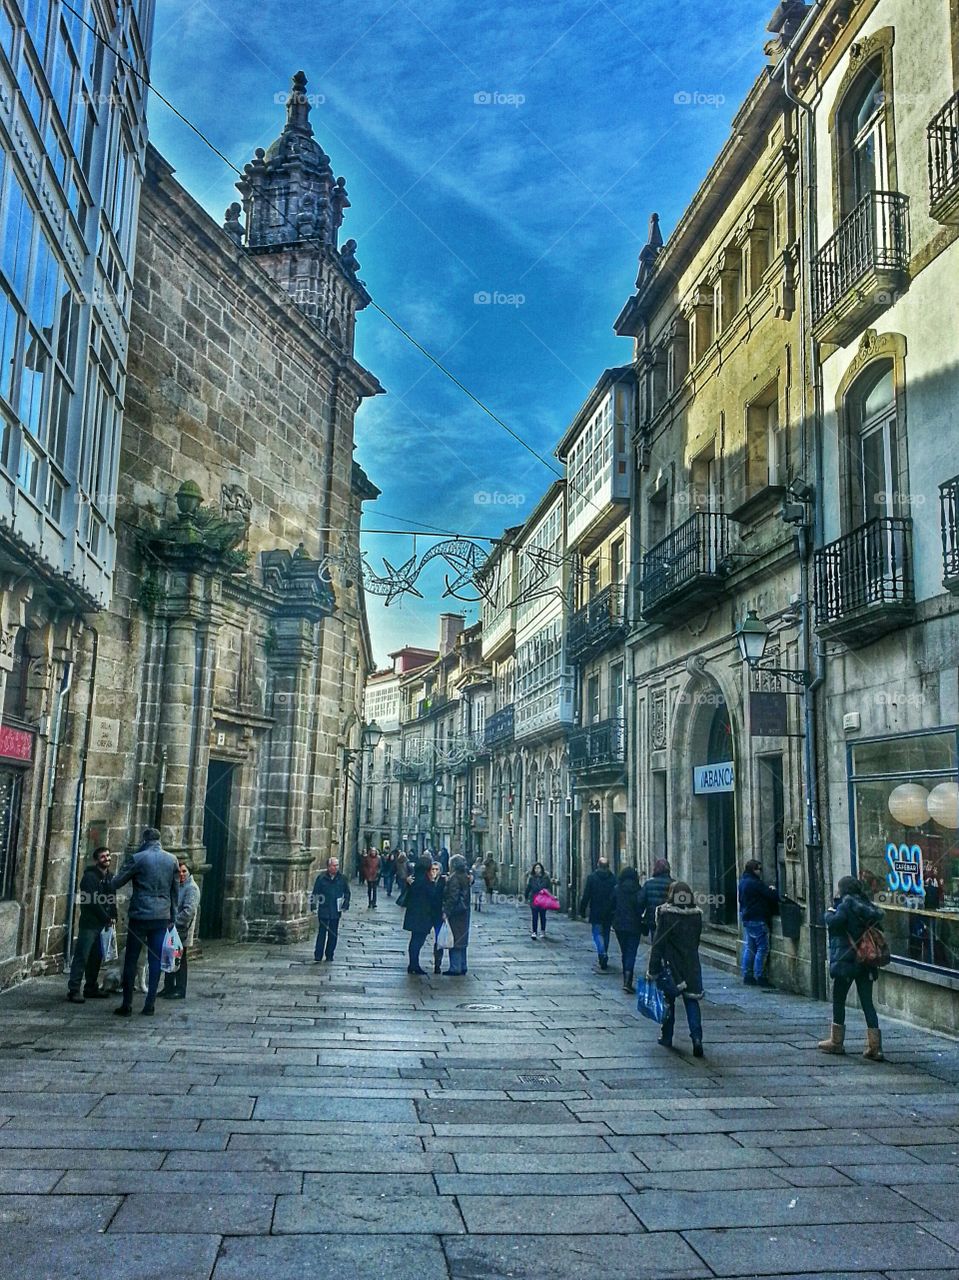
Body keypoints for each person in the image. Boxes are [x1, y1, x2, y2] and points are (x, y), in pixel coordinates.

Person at [108, 827, 179, 1017]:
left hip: (140, 915)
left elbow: (116, 882)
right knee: (155, 959)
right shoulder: (172, 859)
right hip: (162, 916)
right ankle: (150, 1003)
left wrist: (133, 858)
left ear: (144, 840)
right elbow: (175, 892)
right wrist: (173, 916)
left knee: (131, 959)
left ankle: (127, 1004)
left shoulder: (138, 858)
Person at [819, 876, 885, 1061]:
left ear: (843, 889)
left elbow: (834, 923)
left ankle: (836, 1042)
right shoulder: (867, 906)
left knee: (839, 999)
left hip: (847, 960)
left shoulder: (845, 905)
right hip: (866, 960)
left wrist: (829, 912)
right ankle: (875, 1047)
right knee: (867, 1003)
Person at [647, 880, 705, 1057]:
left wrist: (653, 969)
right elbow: (696, 940)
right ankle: (697, 1038)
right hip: (692, 964)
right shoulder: (696, 915)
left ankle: (667, 1036)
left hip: (671, 965)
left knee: (668, 1001)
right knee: (692, 1001)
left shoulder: (666, 914)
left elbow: (658, 943)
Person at [66, 846, 117, 1003]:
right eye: (103, 857)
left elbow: (112, 897)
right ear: (97, 860)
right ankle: (74, 989)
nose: (107, 859)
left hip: (103, 924)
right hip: (90, 924)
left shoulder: (109, 876)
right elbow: (92, 901)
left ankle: (91, 987)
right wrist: (106, 917)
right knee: (82, 955)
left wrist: (114, 915)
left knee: (96, 957)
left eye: (108, 855)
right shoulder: (89, 877)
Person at [160, 860, 201, 1000]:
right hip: (172, 928)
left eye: (184, 871)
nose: (182, 874)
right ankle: (168, 986)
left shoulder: (192, 888)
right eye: (179, 871)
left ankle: (180, 988)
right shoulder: (177, 885)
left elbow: (188, 911)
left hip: (183, 928)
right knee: (170, 955)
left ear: (189, 872)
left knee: (181, 958)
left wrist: (174, 923)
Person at [738, 858, 780, 988]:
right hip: (758, 918)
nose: (760, 872)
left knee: (750, 948)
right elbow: (771, 896)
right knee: (762, 948)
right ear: (753, 869)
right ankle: (760, 976)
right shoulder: (755, 883)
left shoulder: (743, 882)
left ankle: (747, 975)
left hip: (747, 918)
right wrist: (773, 890)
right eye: (759, 869)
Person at [403, 855, 442, 975]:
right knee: (418, 941)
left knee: (414, 939)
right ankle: (414, 965)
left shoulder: (414, 879)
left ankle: (413, 964)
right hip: (423, 915)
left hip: (413, 913)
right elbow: (433, 897)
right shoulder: (425, 881)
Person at [579, 857, 616, 970]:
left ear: (598, 865)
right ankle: (603, 952)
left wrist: (582, 910)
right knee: (606, 933)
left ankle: (602, 953)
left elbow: (586, 895)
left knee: (597, 934)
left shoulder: (592, 878)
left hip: (596, 911)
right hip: (609, 912)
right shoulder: (613, 879)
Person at [311, 857, 350, 962]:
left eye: (337, 865)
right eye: (334, 865)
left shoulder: (342, 878)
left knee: (333, 933)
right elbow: (315, 893)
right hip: (324, 909)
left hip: (335, 910)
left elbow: (347, 892)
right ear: (328, 867)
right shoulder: (321, 878)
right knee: (322, 933)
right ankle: (318, 955)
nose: (336, 867)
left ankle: (329, 954)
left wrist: (345, 904)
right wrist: (313, 906)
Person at [612, 865, 643, 994]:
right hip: (634, 925)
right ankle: (627, 980)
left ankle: (626, 978)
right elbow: (640, 907)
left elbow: (611, 905)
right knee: (631, 952)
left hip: (619, 926)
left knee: (625, 952)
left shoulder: (617, 889)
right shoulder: (638, 890)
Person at [444, 854, 472, 975]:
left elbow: (453, 897)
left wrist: (446, 911)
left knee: (454, 939)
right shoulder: (465, 876)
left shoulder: (454, 878)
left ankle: (455, 967)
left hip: (456, 912)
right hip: (465, 911)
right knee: (462, 939)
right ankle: (463, 965)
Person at [637, 858, 672, 940]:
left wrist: (641, 916)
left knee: (655, 941)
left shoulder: (649, 884)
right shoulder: (673, 883)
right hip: (669, 918)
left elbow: (640, 901)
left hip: (653, 918)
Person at [525, 862, 551, 940]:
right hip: (534, 899)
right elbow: (528, 888)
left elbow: (549, 887)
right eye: (536, 868)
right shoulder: (531, 878)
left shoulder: (546, 877)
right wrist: (526, 896)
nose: (537, 870)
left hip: (543, 899)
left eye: (539, 868)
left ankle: (543, 931)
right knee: (535, 916)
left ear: (541, 869)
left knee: (543, 916)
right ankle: (534, 932)